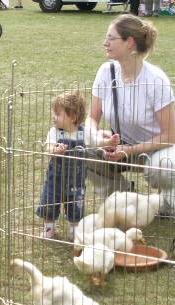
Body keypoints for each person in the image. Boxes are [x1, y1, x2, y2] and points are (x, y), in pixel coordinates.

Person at [85, 14, 175, 214]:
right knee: (83, 149)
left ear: (129, 43)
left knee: (164, 166)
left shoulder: (156, 80)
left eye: (111, 38)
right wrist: (95, 136)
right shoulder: (106, 72)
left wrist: (129, 149)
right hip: (119, 147)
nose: (105, 43)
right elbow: (92, 117)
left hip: (158, 149)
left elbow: (170, 135)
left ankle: (168, 203)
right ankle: (123, 198)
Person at [36, 91, 118, 240]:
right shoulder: (55, 132)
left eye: (58, 114)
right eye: (53, 113)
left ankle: (75, 229)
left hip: (76, 180)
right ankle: (49, 228)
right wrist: (54, 150)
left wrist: (108, 142)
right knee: (50, 201)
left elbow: (95, 142)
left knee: (75, 204)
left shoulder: (83, 133)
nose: (54, 117)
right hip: (55, 179)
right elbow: (48, 147)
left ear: (73, 117)